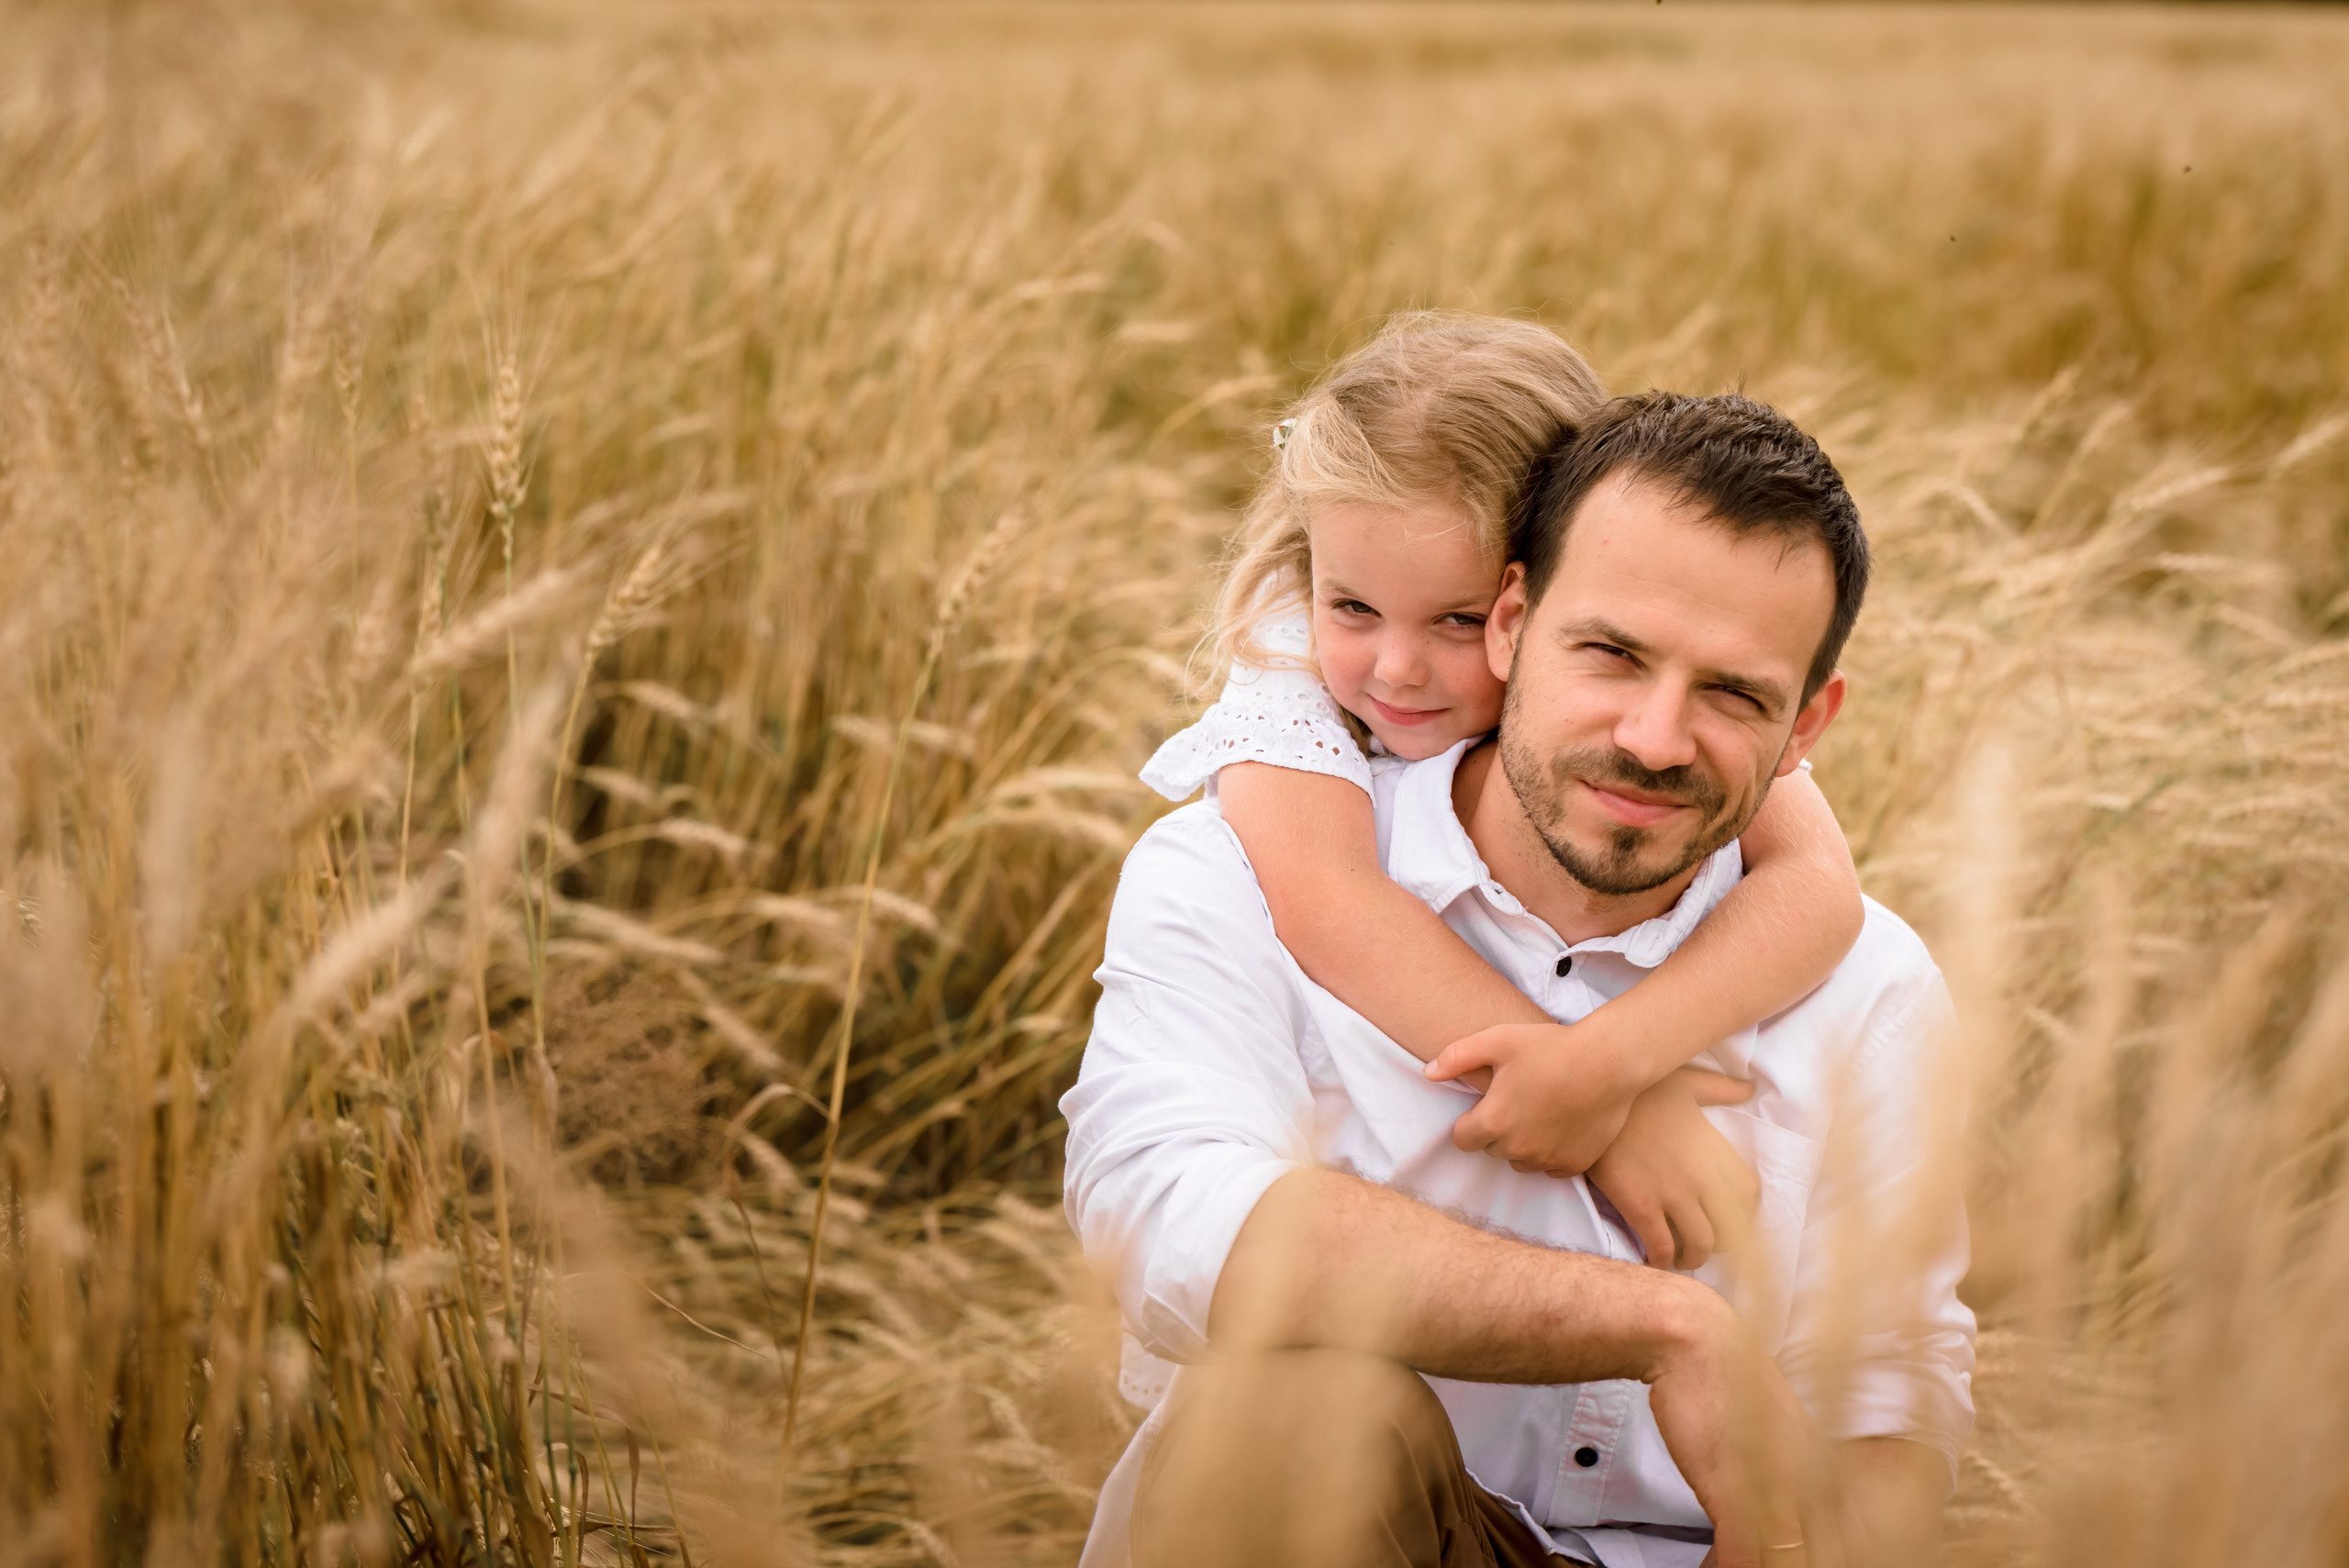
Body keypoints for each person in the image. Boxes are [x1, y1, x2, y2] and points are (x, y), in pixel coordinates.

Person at [1063, 388, 1975, 1568]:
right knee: (1288, 1420)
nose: (1653, 737)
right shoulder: (1244, 863)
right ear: (1508, 622)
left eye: (1733, 694)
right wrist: (1665, 1326)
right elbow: (1166, 1215)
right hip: (1382, 1537)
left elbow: (1891, 1378)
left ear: (1805, 727)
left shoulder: (1871, 986)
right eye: (1611, 653)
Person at [1142, 315, 1864, 1273]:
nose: (1396, 671)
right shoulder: (1289, 660)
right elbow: (1330, 903)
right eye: (1350, 606)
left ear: (1534, 599)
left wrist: (1610, 1062)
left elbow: (1816, 884)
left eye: (1459, 618)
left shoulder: (1633, 703)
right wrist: (1607, 1113)